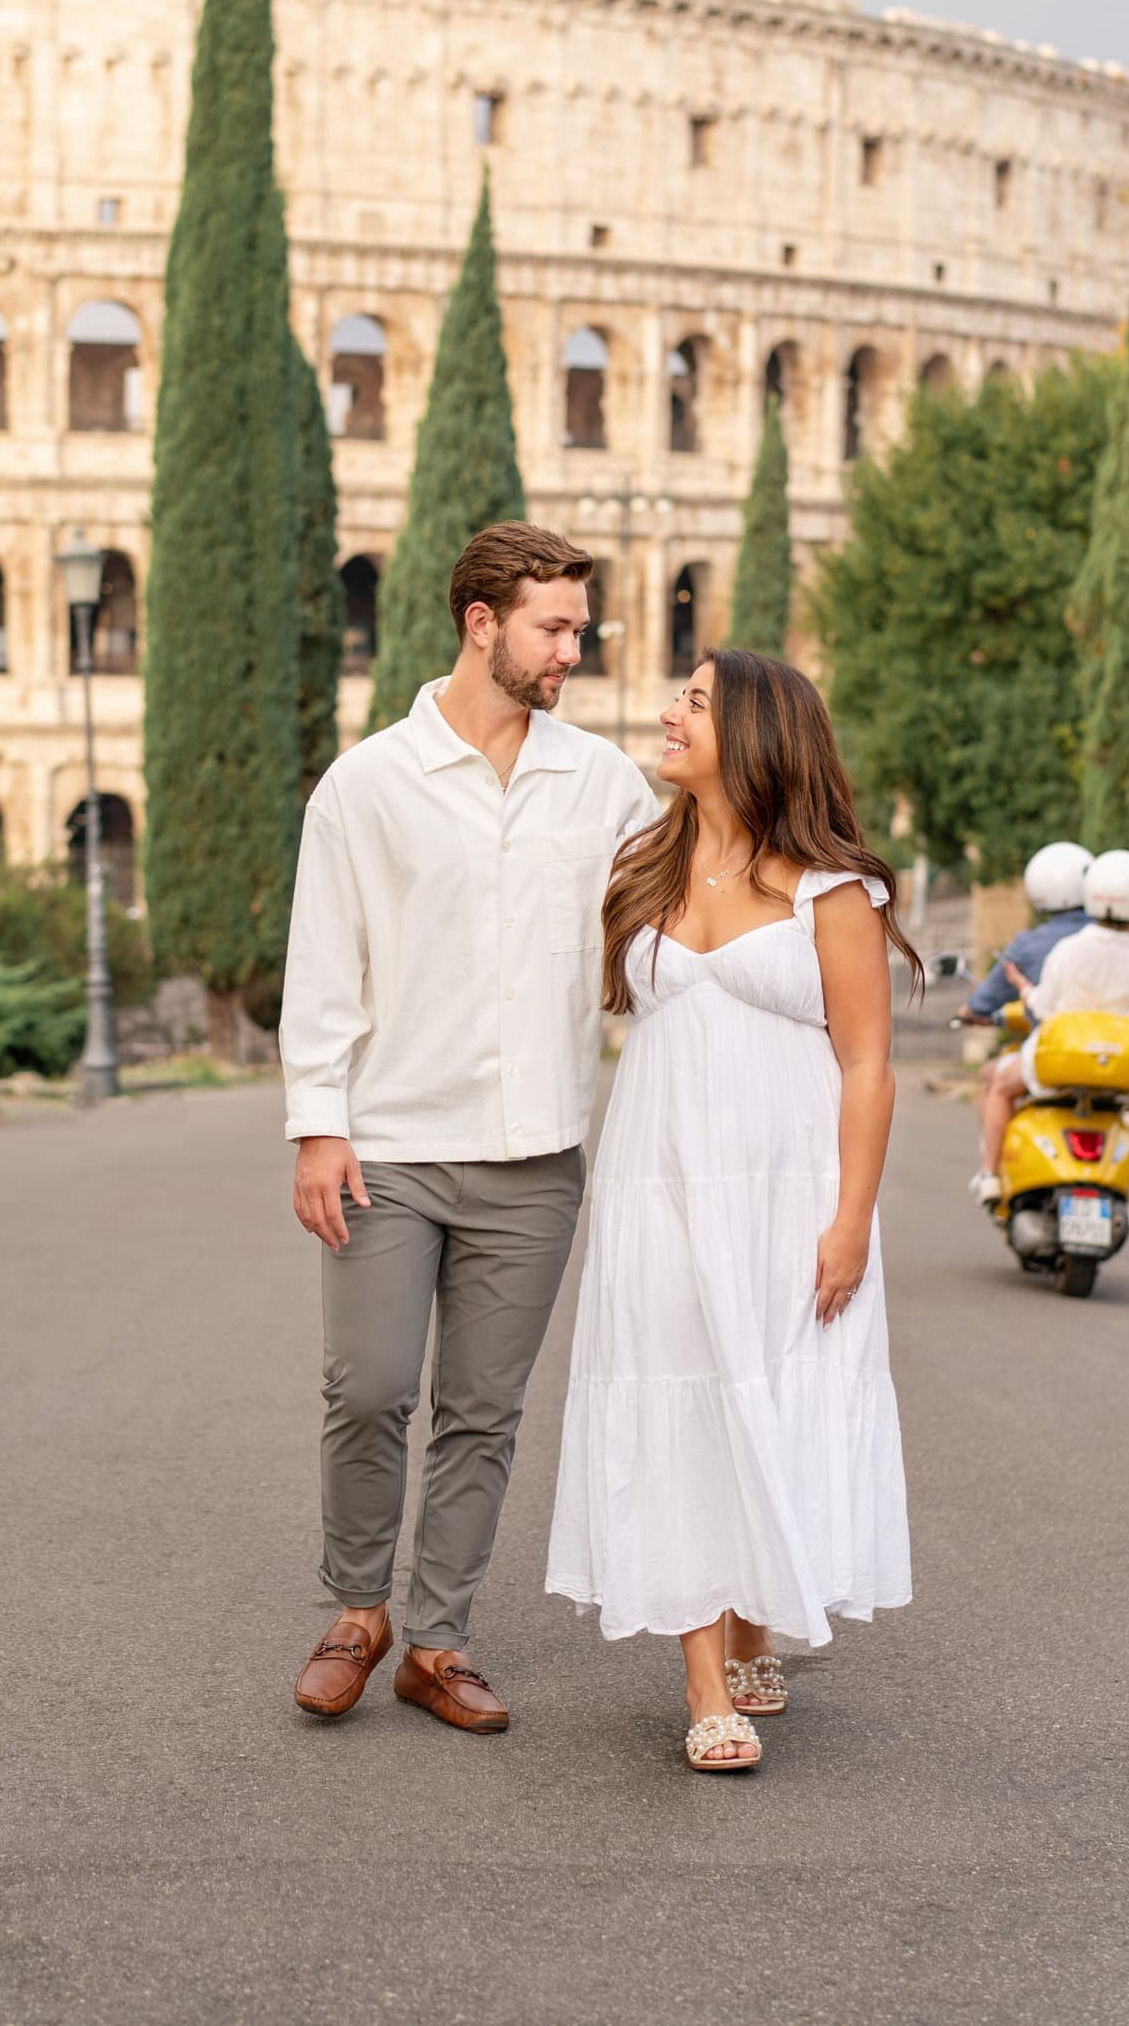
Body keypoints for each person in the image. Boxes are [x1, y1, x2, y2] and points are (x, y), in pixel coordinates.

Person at [280, 522, 655, 1733]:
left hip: (536, 1155)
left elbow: (667, 922)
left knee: (483, 1414)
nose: (571, 652)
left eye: (578, 630)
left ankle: (436, 1638)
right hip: (389, 1142)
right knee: (369, 1387)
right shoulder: (367, 784)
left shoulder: (601, 782)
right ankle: (355, 1607)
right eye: (553, 628)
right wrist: (316, 1126)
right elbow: (324, 968)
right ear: (480, 623)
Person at [547, 650, 922, 1774]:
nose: (668, 712)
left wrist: (850, 1218)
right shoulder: (641, 864)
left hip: (786, 1186)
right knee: (679, 1395)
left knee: (771, 1390)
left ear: (755, 732)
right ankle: (705, 1682)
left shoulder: (828, 887)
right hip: (655, 1178)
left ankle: (755, 1618)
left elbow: (866, 1065)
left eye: (694, 701)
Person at [971, 849, 1129, 1207]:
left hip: (1058, 1063)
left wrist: (1022, 987)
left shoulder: (1069, 950)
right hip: (1120, 1072)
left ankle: (989, 1174)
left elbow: (1044, 1007)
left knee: (999, 1087)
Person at [957, 840, 1093, 1028]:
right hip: (1119, 1048)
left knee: (999, 1059)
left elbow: (982, 1003)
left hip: (1054, 1049)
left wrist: (969, 1012)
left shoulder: (1026, 946)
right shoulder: (1119, 937)